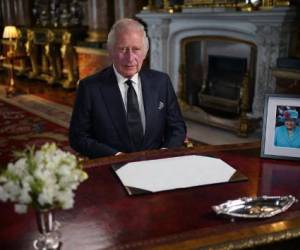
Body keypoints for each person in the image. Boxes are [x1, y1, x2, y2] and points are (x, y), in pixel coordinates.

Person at [69, 18, 186, 158]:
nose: (130, 58)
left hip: (156, 164)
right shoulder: (89, 88)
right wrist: (117, 156)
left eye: (136, 49)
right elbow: (78, 137)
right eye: (123, 49)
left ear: (145, 52)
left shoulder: (161, 82)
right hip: (112, 165)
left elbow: (177, 127)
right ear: (110, 51)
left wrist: (164, 152)